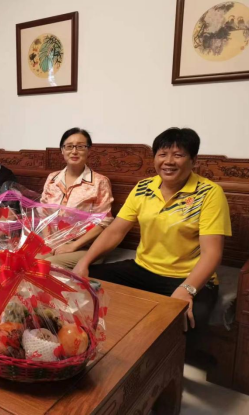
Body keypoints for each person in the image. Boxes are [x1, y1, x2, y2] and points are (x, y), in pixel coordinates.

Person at [74, 128, 231, 330]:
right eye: (162, 154)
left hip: (187, 276)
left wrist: (186, 290)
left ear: (193, 160)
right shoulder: (143, 187)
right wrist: (85, 261)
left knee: (191, 318)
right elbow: (115, 231)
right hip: (143, 269)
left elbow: (212, 253)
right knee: (83, 281)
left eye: (178, 155)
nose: (169, 161)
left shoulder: (209, 193)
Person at [40, 128, 114, 269]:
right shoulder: (52, 179)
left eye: (80, 146)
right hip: (54, 242)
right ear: (62, 150)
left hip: (85, 247)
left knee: (49, 265)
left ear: (88, 150)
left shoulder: (99, 181)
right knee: (26, 259)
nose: (74, 151)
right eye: (69, 146)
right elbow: (44, 213)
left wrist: (73, 246)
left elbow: (104, 221)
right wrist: (49, 241)